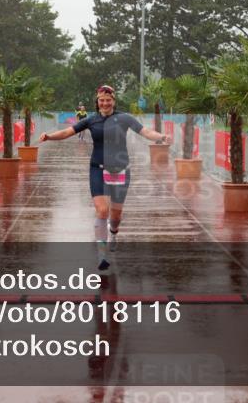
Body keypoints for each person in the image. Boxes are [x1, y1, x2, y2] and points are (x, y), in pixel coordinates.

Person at [40, 85, 169, 269]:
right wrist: (49, 137)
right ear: (97, 102)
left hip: (120, 170)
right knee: (102, 211)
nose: (105, 103)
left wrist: (161, 137)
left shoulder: (124, 118)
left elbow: (145, 131)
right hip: (97, 169)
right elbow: (67, 132)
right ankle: (102, 254)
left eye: (108, 100)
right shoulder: (91, 120)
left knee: (116, 215)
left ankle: (113, 233)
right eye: (102, 100)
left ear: (113, 101)